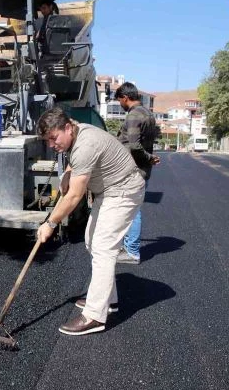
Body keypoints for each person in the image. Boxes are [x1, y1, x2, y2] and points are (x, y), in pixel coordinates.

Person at [36, 107, 145, 335]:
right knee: (91, 241)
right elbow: (72, 157)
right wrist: (67, 173)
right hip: (108, 190)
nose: (51, 145)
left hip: (124, 190)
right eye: (47, 141)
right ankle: (109, 300)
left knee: (103, 247)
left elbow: (74, 196)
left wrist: (50, 223)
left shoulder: (86, 144)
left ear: (67, 128)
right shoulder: (74, 131)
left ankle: (95, 316)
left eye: (53, 139)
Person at [114, 82, 161, 264]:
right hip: (141, 169)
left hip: (132, 169)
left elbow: (134, 146)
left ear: (125, 98)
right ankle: (127, 247)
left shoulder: (134, 115)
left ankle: (132, 251)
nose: (120, 104)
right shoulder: (148, 114)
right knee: (131, 208)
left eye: (119, 100)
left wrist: (148, 157)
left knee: (132, 210)